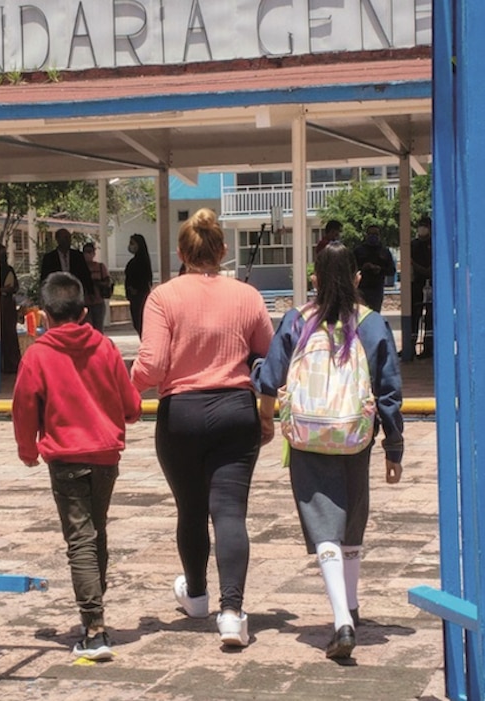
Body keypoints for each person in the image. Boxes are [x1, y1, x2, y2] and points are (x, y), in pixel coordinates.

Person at [251, 241, 404, 660]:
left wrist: (266, 416)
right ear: (358, 278)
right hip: (355, 436)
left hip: (307, 436)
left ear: (314, 278)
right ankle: (350, 607)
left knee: (324, 527)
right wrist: (394, 447)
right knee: (351, 523)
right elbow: (389, 391)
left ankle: (341, 620)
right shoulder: (372, 325)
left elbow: (270, 378)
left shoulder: (297, 320)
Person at [130, 208, 274, 648]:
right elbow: (269, 355)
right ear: (223, 250)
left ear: (180, 253)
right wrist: (267, 411)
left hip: (182, 415)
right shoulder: (247, 296)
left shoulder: (163, 297)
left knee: (190, 509)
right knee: (229, 513)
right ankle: (231, 613)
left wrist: (125, 389)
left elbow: (152, 364)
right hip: (235, 410)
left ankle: (195, 595)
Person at [12, 271, 143, 662]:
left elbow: (24, 408)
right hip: (105, 457)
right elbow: (131, 406)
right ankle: (95, 609)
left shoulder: (37, 355)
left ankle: (94, 628)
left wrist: (27, 449)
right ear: (85, 312)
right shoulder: (105, 348)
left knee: (80, 540)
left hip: (66, 458)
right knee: (95, 533)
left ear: (44, 314)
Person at [40, 228, 94, 302]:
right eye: (65, 238)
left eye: (69, 238)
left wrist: (90, 292)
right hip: (57, 295)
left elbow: (85, 274)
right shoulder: (49, 258)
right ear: (58, 239)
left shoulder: (77, 256)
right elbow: (45, 277)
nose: (68, 240)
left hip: (75, 293)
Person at [352, 224, 395, 312]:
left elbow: (391, 271)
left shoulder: (385, 252)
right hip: (361, 288)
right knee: (360, 314)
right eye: (370, 234)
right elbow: (351, 269)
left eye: (376, 234)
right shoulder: (358, 251)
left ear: (380, 236)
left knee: (375, 314)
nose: (373, 236)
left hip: (377, 289)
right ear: (366, 235)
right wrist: (363, 268)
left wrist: (380, 269)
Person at [409, 216, 433, 358]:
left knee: (430, 316)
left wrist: (415, 265)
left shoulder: (434, 244)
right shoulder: (413, 245)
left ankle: (428, 348)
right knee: (414, 315)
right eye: (420, 225)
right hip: (416, 284)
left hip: (431, 285)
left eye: (425, 225)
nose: (422, 228)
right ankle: (410, 347)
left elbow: (429, 270)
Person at [124, 233, 153, 337]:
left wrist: (136, 289)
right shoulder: (134, 261)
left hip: (140, 297)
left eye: (132, 243)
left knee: (140, 322)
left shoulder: (141, 261)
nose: (130, 246)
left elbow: (144, 279)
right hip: (134, 297)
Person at [0, 244, 21, 374]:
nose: (3, 257)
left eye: (4, 254)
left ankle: (12, 363)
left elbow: (15, 287)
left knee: (9, 334)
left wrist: (6, 290)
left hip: (7, 303)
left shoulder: (8, 269)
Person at [83, 241, 112, 332]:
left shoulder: (100, 267)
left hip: (98, 302)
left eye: (90, 251)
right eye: (86, 252)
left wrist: (96, 283)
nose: (88, 254)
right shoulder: (80, 268)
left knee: (98, 329)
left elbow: (107, 282)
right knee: (87, 329)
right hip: (84, 303)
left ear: (94, 253)